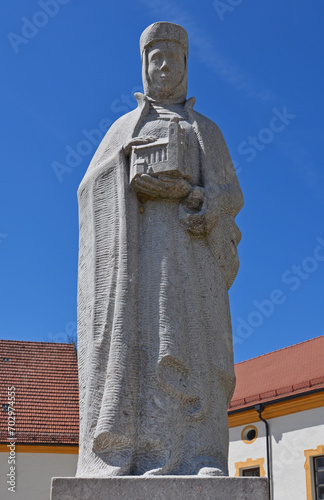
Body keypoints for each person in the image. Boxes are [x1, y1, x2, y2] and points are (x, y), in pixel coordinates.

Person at [76, 22, 244, 477]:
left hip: (194, 255)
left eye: (174, 58)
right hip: (143, 258)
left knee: (200, 348)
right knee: (146, 346)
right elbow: (89, 189)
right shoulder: (123, 129)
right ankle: (147, 453)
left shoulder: (205, 128)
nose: (165, 66)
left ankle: (202, 454)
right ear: (144, 66)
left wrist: (201, 201)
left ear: (187, 65)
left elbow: (231, 193)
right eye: (156, 58)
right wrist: (126, 170)